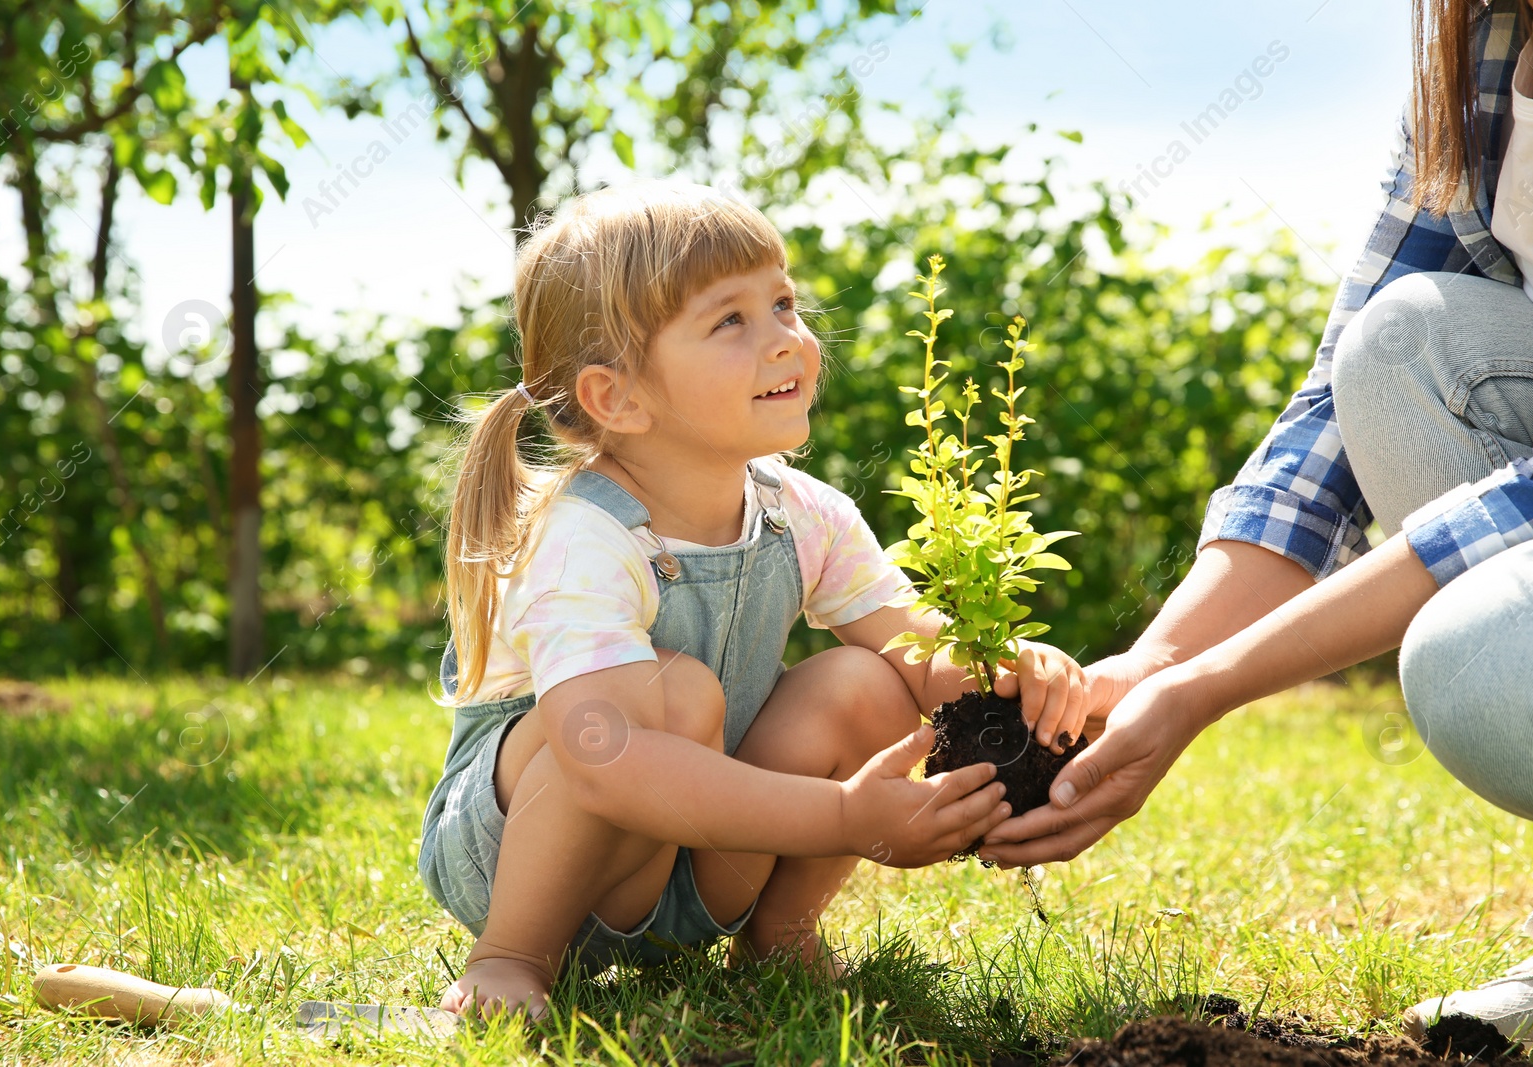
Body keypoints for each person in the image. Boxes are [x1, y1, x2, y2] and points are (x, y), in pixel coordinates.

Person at [978, 0, 1533, 1047]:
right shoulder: (1491, 50)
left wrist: (1205, 691)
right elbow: (1332, 423)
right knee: (1400, 346)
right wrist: (1154, 662)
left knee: (1476, 665)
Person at [415, 182, 1087, 1018]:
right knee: (672, 695)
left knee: (866, 680)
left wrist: (1013, 673)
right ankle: (510, 957)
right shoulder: (583, 538)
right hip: (532, 860)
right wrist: (843, 815)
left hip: (703, 858)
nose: (787, 341)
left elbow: (918, 651)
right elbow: (602, 754)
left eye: (782, 302)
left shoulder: (801, 513)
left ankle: (775, 937)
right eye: (730, 320)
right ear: (616, 396)